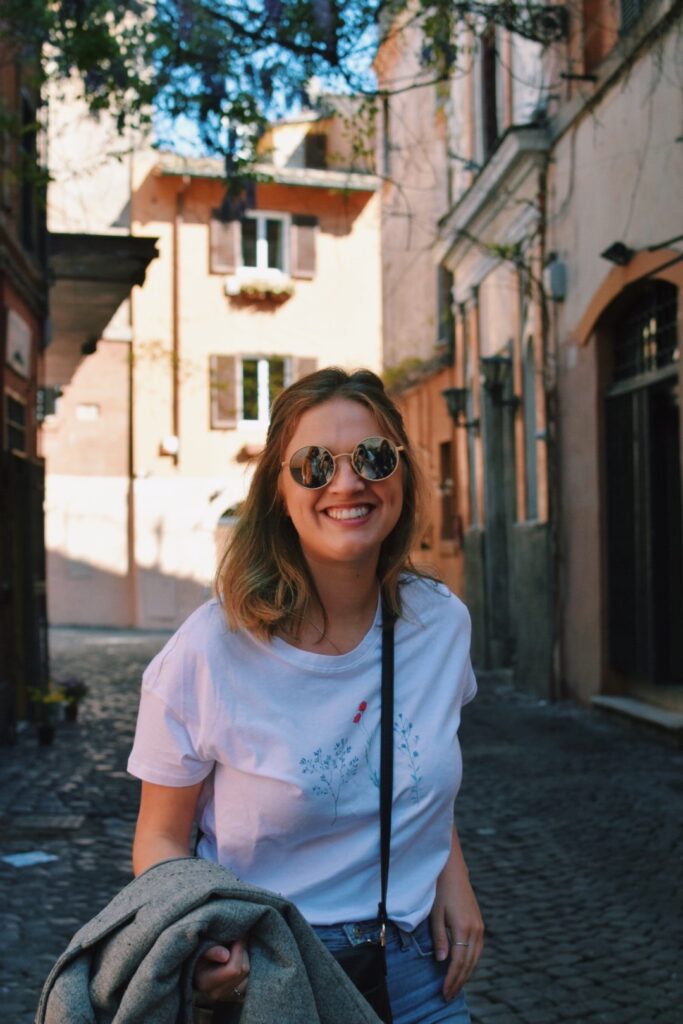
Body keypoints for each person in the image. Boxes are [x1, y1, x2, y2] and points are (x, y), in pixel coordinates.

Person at [128, 367, 484, 1023]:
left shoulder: (439, 625)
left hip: (414, 971)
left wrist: (450, 879)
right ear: (280, 494)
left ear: (401, 474)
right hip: (269, 969)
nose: (347, 483)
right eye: (313, 465)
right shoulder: (211, 649)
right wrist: (202, 937)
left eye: (373, 458)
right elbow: (158, 837)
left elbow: (415, 770)